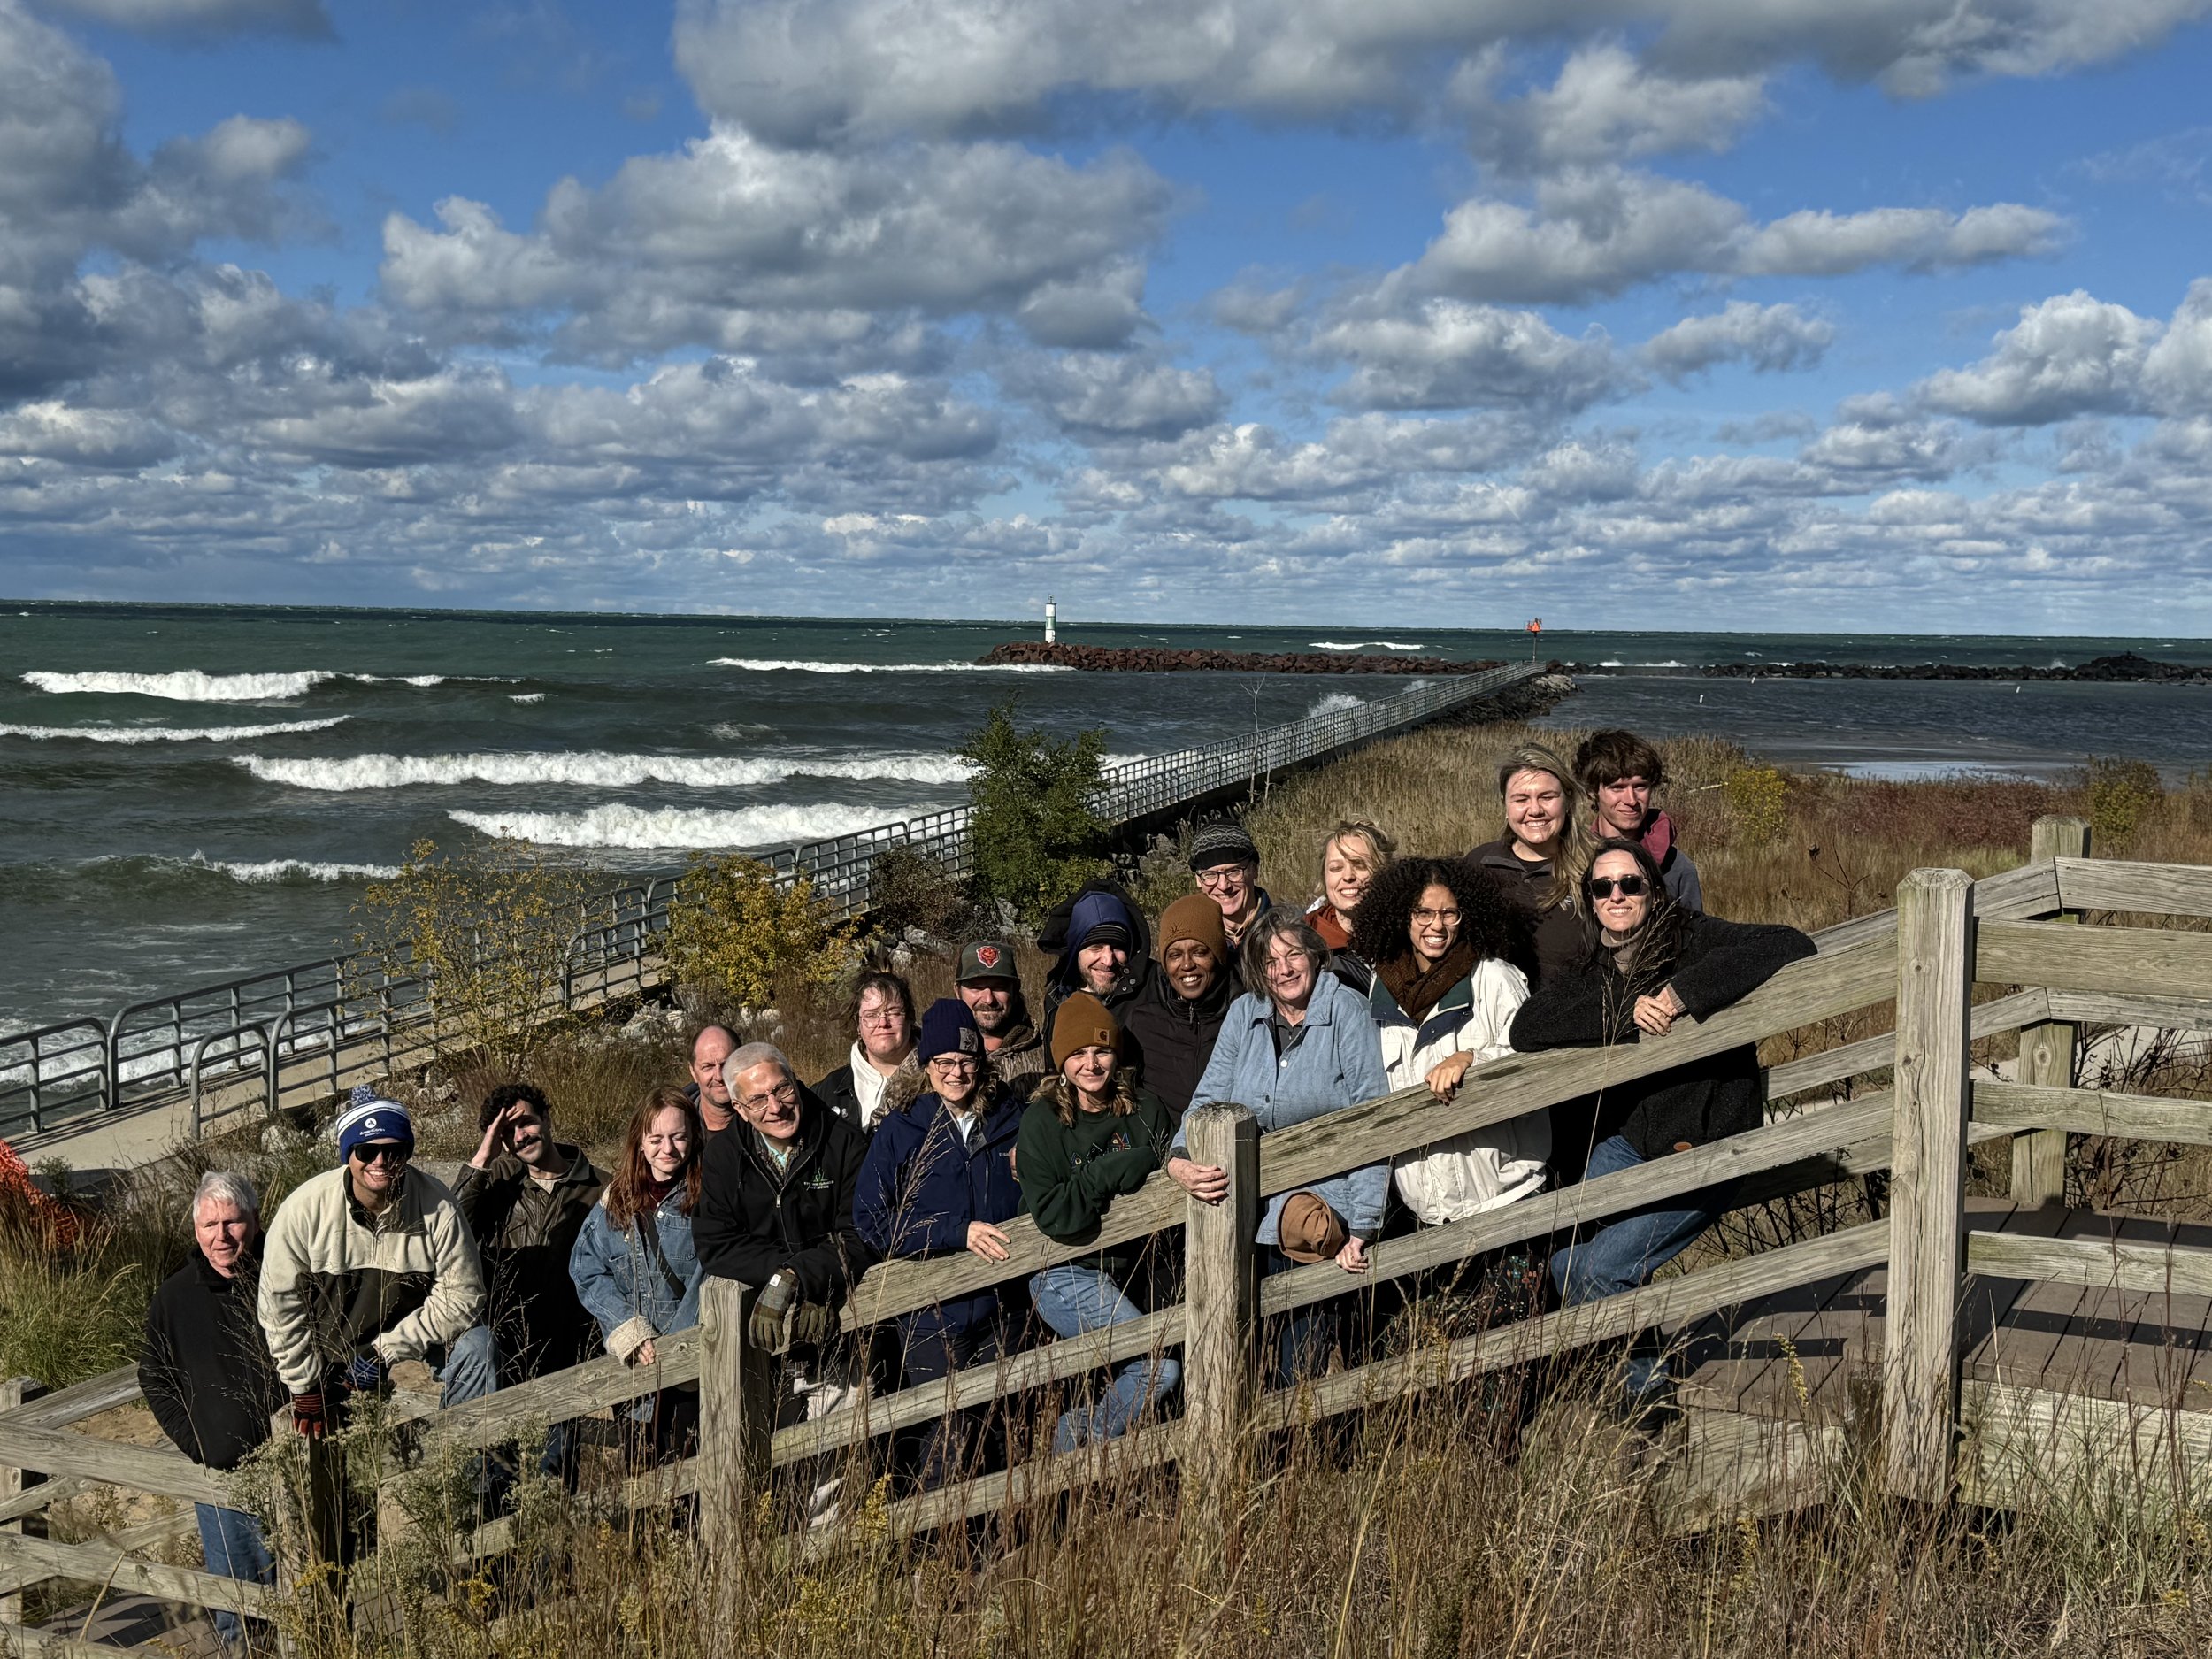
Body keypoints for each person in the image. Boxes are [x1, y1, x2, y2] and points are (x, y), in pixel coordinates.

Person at [1509, 839, 1815, 1409]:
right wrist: (1628, 1011)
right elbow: (1529, 1027)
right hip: (1633, 1143)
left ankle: (1642, 1400)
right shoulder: (1595, 965)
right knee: (1561, 1254)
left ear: (1653, 891)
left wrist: (1681, 993)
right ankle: (1631, 1369)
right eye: (1603, 888)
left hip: (1707, 1142)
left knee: (1598, 1270)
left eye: (1631, 884)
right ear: (1590, 900)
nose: (1617, 896)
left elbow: (1790, 942)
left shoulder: (1692, 937)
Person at [1166, 913, 1391, 1385]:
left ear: (1314, 955)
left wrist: (1364, 1225)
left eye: (1293, 955)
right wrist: (1178, 1159)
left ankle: (1317, 1455)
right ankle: (1273, 1458)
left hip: (1324, 1218)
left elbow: (1372, 1115)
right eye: (1270, 961)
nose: (1284, 969)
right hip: (1251, 1216)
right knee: (1249, 1359)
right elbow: (1208, 1098)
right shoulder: (1246, 1013)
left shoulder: (1345, 1010)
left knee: (1304, 1363)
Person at [693, 1041, 872, 1522]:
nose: (776, 1107)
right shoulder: (724, 1157)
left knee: (833, 1462)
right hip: (758, 1344)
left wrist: (802, 1278)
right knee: (761, 1462)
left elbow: (858, 1235)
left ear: (795, 1081)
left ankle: (831, 1565)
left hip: (831, 1334)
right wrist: (779, 1276)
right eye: (758, 1101)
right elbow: (715, 1245)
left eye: (783, 1089)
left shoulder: (841, 1141)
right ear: (738, 1108)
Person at [854, 1000, 1028, 1489]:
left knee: (1000, 1424)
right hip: (931, 1312)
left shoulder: (1013, 1119)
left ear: (982, 1064)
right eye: (944, 1062)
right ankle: (936, 1551)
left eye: (967, 1061)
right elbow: (871, 1220)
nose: (956, 1073)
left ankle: (1002, 1540)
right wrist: (955, 1231)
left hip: (1005, 1304)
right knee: (943, 1431)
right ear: (926, 1065)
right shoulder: (902, 1128)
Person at [258, 1088, 495, 1442]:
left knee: (478, 1347)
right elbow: (279, 1303)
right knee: (326, 1450)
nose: (380, 1161)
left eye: (393, 1150)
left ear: (407, 1153)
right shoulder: (302, 1210)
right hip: (331, 1340)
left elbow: (463, 1296)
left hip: (407, 1329)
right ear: (348, 1155)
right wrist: (303, 1383)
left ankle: (462, 1455)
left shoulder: (438, 1206)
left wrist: (387, 1350)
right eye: (367, 1151)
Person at [1019, 993, 1180, 1450]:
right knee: (1156, 1368)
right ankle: (1072, 1442)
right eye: (1077, 1053)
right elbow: (1058, 1215)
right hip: (1065, 1275)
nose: (1091, 1064)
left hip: (1127, 1270)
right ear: (1061, 1062)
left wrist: (1145, 1162)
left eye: (1101, 1050)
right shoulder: (1041, 1121)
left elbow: (1170, 1165)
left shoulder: (1145, 1110)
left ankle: (1095, 1474)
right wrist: (1113, 1170)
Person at [140, 1171, 286, 1655]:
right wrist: (195, 1439)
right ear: (195, 1229)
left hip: (297, 1463)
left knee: (309, 1587)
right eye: (209, 1225)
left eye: (232, 1222)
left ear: (255, 1221)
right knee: (239, 1609)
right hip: (222, 1483)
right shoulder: (174, 1298)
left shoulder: (286, 1274)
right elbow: (155, 1376)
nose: (220, 1237)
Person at [452, 1081, 604, 1481]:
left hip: (567, 1356)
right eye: (508, 1131)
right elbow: (451, 1231)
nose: (521, 1136)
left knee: (551, 1479)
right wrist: (484, 1156)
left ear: (547, 1119)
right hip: (504, 1352)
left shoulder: (599, 1188)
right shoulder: (497, 1184)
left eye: (526, 1123)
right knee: (490, 1480)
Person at [569, 1088, 706, 1463]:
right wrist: (626, 1327)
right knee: (643, 1487)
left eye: (678, 1137)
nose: (668, 1149)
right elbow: (585, 1268)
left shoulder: (707, 1196)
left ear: (693, 1138)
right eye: (656, 1138)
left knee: (692, 1483)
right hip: (633, 1380)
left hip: (693, 1380)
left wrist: (677, 1349)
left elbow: (713, 1271)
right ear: (640, 1143)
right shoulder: (616, 1201)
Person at [1468, 742, 1594, 988]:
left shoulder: (1598, 866)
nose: (1535, 810)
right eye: (1521, 799)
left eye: (1547, 797)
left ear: (1567, 802)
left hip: (1572, 1015)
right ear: (1505, 804)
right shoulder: (1479, 865)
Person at [1118, 895, 1233, 1116]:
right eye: (1174, 955)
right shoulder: (1142, 1022)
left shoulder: (1247, 1013)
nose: (1187, 964)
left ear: (1218, 955)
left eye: (1200, 952)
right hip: (1165, 1148)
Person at [1575, 729, 1704, 911]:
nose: (1631, 800)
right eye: (1617, 788)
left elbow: (1694, 936)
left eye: (1640, 786)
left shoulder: (1677, 868)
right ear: (1592, 792)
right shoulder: (1575, 860)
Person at [812, 971, 920, 1133]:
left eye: (893, 1012)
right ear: (858, 1025)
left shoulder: (942, 1077)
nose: (883, 1022)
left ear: (910, 1018)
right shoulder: (828, 1093)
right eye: (871, 1015)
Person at [1040, 880, 1154, 1030]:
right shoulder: (1057, 998)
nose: (1108, 961)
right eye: (1096, 948)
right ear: (1076, 951)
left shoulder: (1155, 987)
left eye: (1118, 947)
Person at [953, 939, 1048, 1094]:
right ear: (957, 991)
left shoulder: (1044, 1055)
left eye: (999, 988)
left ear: (1015, 990)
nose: (988, 999)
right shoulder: (934, 1055)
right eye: (976, 988)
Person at [1305, 819, 1395, 953]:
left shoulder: (1411, 935)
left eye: (1360, 865)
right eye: (1336, 868)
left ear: (1384, 872)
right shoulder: (1303, 941)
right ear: (1324, 877)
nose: (1348, 876)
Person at [1188, 820, 1273, 950]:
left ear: (1254, 870)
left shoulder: (1285, 932)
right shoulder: (1192, 943)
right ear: (1198, 880)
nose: (1223, 886)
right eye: (1210, 875)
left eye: (1234, 872)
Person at [685, 1023, 740, 1134]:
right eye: (707, 1067)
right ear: (693, 1072)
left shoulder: (769, 1116)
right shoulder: (677, 1129)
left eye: (726, 1064)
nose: (719, 1076)